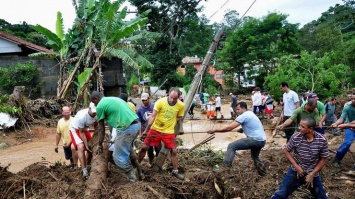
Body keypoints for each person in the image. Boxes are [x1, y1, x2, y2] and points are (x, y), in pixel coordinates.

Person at [271, 117, 329, 199]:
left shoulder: (322, 140)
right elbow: (286, 150)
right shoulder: (296, 137)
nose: (299, 128)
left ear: (310, 129)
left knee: (321, 197)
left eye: (302, 127)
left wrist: (312, 174)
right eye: (299, 125)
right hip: (296, 171)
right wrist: (296, 166)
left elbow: (324, 158)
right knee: (280, 194)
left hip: (312, 172)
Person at [207, 102, 267, 176]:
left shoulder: (243, 116)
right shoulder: (250, 113)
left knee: (232, 146)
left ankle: (224, 168)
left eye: (238, 109)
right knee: (255, 157)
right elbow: (252, 125)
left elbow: (229, 128)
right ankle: (263, 173)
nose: (237, 111)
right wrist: (243, 129)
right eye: (236, 110)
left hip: (255, 140)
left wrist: (215, 130)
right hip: (262, 140)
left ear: (243, 108)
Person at [137, 88, 185, 180]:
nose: (172, 100)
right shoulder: (160, 102)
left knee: (174, 151)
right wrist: (146, 130)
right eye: (171, 97)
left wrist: (174, 124)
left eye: (174, 98)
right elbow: (153, 116)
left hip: (169, 131)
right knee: (144, 148)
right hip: (155, 129)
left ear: (178, 97)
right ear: (168, 95)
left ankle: (175, 171)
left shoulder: (181, 105)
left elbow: (179, 117)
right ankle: (136, 167)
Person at [95, 94, 140, 182]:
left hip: (126, 129)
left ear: (95, 99)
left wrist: (100, 144)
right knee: (128, 150)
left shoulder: (100, 106)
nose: (95, 105)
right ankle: (140, 173)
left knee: (117, 157)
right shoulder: (113, 98)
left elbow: (101, 129)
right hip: (136, 126)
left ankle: (133, 179)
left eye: (94, 103)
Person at [69, 102, 97, 179]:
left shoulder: (97, 113)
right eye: (93, 112)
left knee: (91, 146)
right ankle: (84, 170)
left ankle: (88, 165)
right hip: (75, 129)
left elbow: (97, 126)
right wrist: (86, 145)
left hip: (85, 128)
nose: (94, 114)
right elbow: (81, 132)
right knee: (81, 147)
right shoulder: (82, 116)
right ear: (89, 108)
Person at [331, 93, 355, 168]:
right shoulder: (348, 107)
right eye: (352, 99)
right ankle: (337, 158)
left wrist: (346, 125)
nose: (353, 100)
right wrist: (335, 123)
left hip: (349, 125)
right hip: (350, 128)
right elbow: (342, 119)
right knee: (348, 142)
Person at [136, 93, 161, 165]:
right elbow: (140, 122)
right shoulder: (140, 110)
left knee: (157, 147)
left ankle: (159, 163)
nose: (144, 102)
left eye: (145, 100)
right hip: (146, 132)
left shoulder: (154, 106)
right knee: (149, 148)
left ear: (149, 99)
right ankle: (151, 161)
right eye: (143, 100)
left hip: (156, 131)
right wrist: (140, 133)